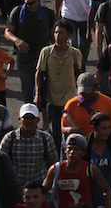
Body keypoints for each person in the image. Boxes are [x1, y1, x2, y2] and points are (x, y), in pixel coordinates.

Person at [35, 18, 83, 151]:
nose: (57, 35)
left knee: (69, 132)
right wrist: (38, 94)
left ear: (68, 35)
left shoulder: (75, 53)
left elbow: (79, 74)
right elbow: (39, 74)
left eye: (61, 33)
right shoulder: (46, 52)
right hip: (52, 99)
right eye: (56, 32)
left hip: (69, 100)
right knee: (55, 131)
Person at [5, 0, 56, 102]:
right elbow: (7, 31)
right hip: (25, 60)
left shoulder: (48, 13)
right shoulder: (17, 12)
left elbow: (53, 36)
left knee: (45, 94)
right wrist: (17, 41)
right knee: (28, 94)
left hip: (44, 60)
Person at [0, 102, 58, 185]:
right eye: (25, 118)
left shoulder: (46, 138)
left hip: (39, 188)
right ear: (19, 119)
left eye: (32, 118)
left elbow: (52, 162)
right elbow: (1, 162)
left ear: (37, 120)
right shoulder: (9, 138)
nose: (29, 121)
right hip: (16, 187)